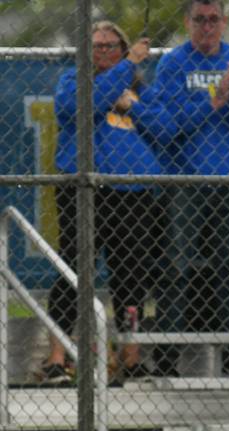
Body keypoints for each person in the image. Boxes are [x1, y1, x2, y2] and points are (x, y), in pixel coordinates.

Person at [145, 0, 229, 377]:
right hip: (186, 181)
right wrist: (213, 101)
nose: (207, 27)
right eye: (200, 20)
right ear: (188, 23)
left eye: (214, 20)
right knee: (176, 266)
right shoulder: (172, 63)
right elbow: (167, 123)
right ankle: (168, 356)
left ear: (224, 23)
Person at [39, 21, 164, 383]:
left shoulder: (139, 89)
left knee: (131, 274)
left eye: (113, 46)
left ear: (123, 48)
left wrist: (132, 106)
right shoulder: (74, 80)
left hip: (133, 194)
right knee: (74, 271)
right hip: (84, 190)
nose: (104, 53)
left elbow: (166, 127)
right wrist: (126, 68)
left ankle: (130, 355)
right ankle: (58, 356)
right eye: (97, 46)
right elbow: (80, 107)